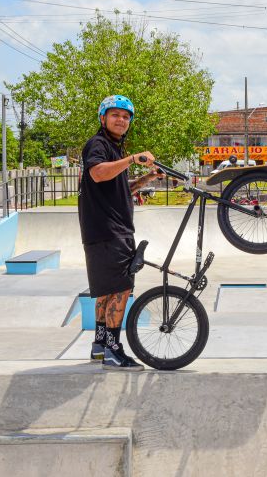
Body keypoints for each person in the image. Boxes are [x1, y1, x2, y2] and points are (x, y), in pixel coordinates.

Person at [78, 94, 163, 371]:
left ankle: (100, 345)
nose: (121, 120)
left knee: (106, 290)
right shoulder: (99, 144)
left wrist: (147, 178)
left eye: (126, 117)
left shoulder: (113, 150)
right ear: (103, 118)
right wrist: (133, 158)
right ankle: (115, 349)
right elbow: (98, 174)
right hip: (108, 230)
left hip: (107, 229)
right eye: (115, 115)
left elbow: (118, 189)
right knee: (121, 288)